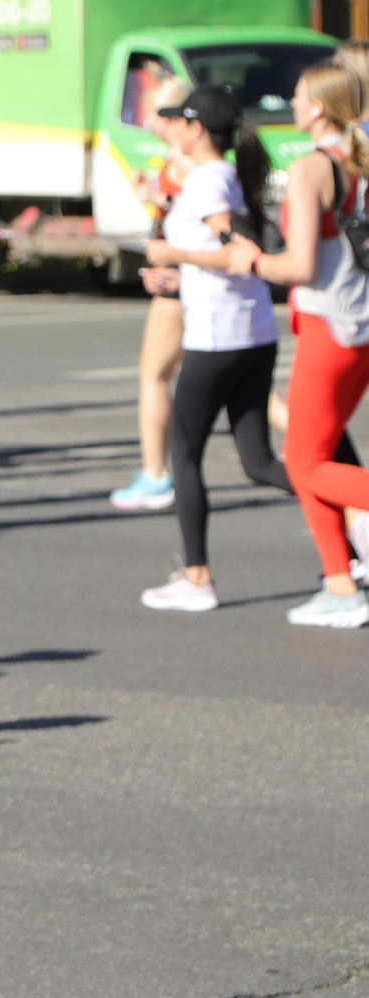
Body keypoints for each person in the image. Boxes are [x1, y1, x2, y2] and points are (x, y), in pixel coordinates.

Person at [136, 86, 283, 609]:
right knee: (259, 462)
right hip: (251, 330)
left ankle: (197, 578)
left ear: (196, 128)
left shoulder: (207, 181)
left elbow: (237, 250)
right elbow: (225, 259)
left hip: (219, 338)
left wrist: (171, 251)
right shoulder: (221, 176)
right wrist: (174, 277)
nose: (171, 126)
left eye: (178, 119)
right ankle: (355, 515)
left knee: (185, 451)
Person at [239, 61, 369, 625]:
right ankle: (340, 587)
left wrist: (253, 260)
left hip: (329, 326)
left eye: (296, 96)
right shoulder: (357, 160)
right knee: (308, 457)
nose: (290, 104)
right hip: (357, 323)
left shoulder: (311, 167)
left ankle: (343, 589)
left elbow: (299, 263)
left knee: (305, 463)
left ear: (317, 107)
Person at [114, 73, 193, 511]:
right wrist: (155, 197)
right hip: (181, 277)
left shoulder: (181, 161)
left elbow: (188, 217)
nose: (148, 122)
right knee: (244, 388)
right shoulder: (184, 160)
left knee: (153, 374)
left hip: (178, 282)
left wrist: (168, 265)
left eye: (156, 114)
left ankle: (156, 473)